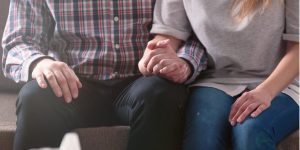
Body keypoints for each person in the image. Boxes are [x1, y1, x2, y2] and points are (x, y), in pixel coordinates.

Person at [1, 0, 207, 150]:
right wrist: (40, 62)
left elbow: (199, 30)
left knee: (162, 94)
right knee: (36, 96)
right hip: (73, 83)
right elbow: (18, 41)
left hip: (143, 80)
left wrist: (184, 62)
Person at [148, 0, 299, 149]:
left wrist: (266, 91)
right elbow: (168, 35)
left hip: (284, 83)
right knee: (203, 134)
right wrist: (162, 55)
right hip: (216, 80)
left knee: (250, 130)